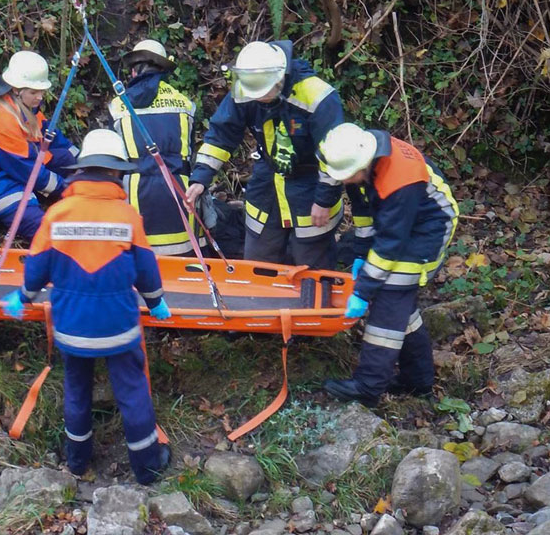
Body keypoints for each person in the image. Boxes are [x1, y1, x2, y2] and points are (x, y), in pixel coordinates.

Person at [2, 129, 172, 484]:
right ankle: (148, 468)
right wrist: (155, 302)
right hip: (119, 328)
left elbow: (37, 266)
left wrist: (24, 296)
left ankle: (77, 463)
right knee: (133, 392)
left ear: (81, 171)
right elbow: (146, 269)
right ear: (116, 173)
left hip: (71, 328)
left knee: (76, 391)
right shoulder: (127, 216)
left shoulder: (58, 213)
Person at [317, 123, 459, 406]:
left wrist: (363, 291)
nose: (345, 182)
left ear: (363, 164)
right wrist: (360, 253)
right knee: (401, 309)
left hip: (429, 229)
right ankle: (418, 381)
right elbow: (365, 213)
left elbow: (389, 246)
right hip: (403, 224)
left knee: (389, 298)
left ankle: (368, 386)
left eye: (347, 176)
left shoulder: (400, 181)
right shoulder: (360, 161)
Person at [184, 40, 345, 268]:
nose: (259, 99)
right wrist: (201, 177)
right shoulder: (247, 87)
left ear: (280, 78)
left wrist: (324, 199)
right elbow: (222, 133)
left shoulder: (316, 96)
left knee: (311, 265)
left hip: (309, 184)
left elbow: (335, 153)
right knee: (259, 262)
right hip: (267, 183)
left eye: (265, 93)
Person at [0, 51, 79, 240]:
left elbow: (52, 137)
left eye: (41, 91)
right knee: (44, 232)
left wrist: (86, 165)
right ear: (16, 90)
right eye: (34, 92)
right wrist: (68, 188)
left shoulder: (27, 108)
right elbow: (29, 171)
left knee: (66, 158)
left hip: (13, 171)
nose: (40, 97)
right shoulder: (0, 120)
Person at [109, 39, 205, 256]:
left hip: (134, 196)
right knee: (184, 267)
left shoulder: (118, 106)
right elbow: (189, 153)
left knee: (141, 264)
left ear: (134, 71)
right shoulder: (184, 104)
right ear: (163, 69)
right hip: (180, 194)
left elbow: (113, 161)